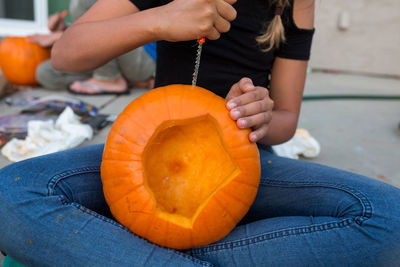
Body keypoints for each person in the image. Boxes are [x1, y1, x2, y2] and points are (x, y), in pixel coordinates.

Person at [0, 0, 399, 266]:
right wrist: (160, 18)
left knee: (390, 217)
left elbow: (286, 119)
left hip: (244, 159)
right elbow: (67, 53)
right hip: (140, 153)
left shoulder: (295, 3)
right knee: (11, 194)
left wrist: (262, 114)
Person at [30, 0, 156, 94]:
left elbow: (116, 30)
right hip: (115, 60)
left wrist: (60, 37)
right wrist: (65, 29)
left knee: (82, 2)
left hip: (143, 58)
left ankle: (109, 79)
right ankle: (126, 81)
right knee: (45, 73)